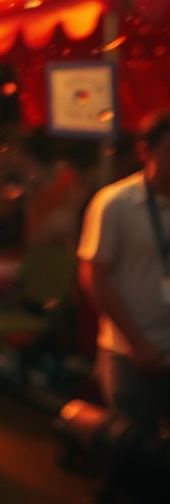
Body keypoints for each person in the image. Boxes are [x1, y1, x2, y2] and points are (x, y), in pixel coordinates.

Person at [78, 109, 170, 433]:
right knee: (133, 446)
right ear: (145, 151)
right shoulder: (115, 202)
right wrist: (137, 342)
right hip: (130, 351)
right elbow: (94, 276)